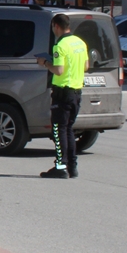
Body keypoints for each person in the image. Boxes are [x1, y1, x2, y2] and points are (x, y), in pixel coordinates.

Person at [37, 13, 88, 179]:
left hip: (62, 93)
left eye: (53, 27)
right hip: (76, 92)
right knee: (68, 130)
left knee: (59, 131)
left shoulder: (60, 46)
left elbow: (58, 70)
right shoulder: (80, 43)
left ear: (56, 26)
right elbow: (86, 66)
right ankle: (72, 166)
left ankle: (60, 167)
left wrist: (45, 63)